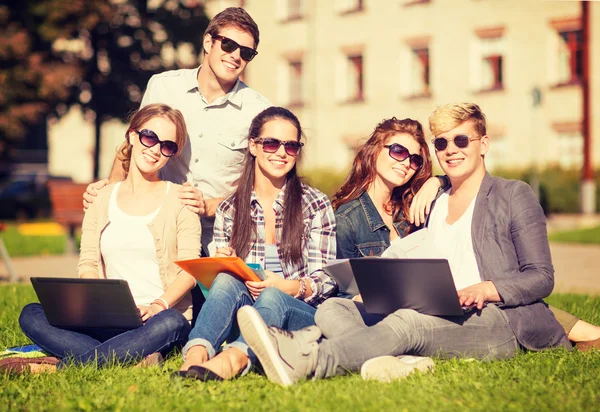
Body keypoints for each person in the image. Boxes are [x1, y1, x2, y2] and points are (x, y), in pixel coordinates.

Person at [238, 102, 574, 386]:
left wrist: (487, 289)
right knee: (333, 308)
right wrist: (435, 182)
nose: (451, 150)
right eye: (441, 144)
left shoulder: (513, 195)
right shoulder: (436, 199)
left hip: (495, 317)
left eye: (461, 140)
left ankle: (309, 360)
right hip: (438, 308)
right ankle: (400, 362)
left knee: (407, 324)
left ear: (484, 144)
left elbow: (542, 276)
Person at [333, 117, 600, 348]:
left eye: (415, 159)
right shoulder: (347, 219)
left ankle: (581, 332)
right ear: (373, 150)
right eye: (399, 152)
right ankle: (583, 332)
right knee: (333, 311)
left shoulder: (414, 202)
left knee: (482, 286)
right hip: (384, 308)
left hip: (432, 304)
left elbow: (466, 174)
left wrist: (436, 180)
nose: (407, 164)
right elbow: (345, 289)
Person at [15, 104, 201, 373]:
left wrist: (159, 304)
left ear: (172, 154)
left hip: (157, 320)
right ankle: (131, 357)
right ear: (133, 135)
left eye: (167, 146)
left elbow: (190, 268)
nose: (155, 150)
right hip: (105, 319)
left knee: (173, 323)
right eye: (150, 137)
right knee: (31, 314)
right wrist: (97, 304)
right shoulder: (100, 198)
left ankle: (58, 367)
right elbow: (88, 262)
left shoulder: (181, 200)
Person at [83, 7, 271, 251]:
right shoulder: (163, 87)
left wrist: (210, 205)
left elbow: (262, 189)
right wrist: (109, 191)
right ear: (208, 42)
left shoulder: (259, 112)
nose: (236, 56)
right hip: (159, 232)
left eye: (246, 52)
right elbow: (132, 147)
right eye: (228, 45)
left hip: (221, 240)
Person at [176, 107, 336, 381]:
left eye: (291, 146)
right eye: (271, 143)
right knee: (226, 280)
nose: (281, 152)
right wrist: (223, 263)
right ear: (253, 145)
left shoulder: (315, 203)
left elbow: (327, 279)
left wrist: (290, 287)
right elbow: (219, 289)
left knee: (274, 296)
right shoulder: (229, 209)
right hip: (247, 312)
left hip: (300, 315)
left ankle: (233, 360)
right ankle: (196, 355)